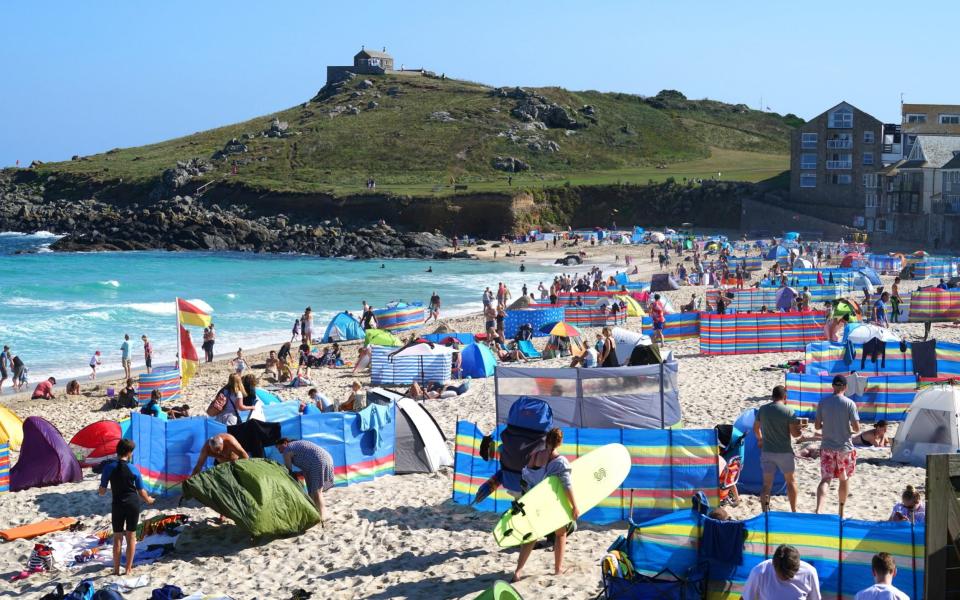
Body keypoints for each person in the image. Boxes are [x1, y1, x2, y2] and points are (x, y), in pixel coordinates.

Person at [513, 428, 579, 582]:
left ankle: (518, 572)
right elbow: (566, 485)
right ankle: (558, 569)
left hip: (533, 502)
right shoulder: (560, 461)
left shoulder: (534, 456)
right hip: (550, 504)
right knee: (561, 534)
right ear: (560, 442)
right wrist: (574, 506)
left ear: (546, 440)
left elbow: (526, 477)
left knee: (531, 537)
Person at [98, 439, 155, 576]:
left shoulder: (108, 467)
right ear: (129, 453)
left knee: (117, 537)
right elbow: (141, 492)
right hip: (132, 504)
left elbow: (102, 491)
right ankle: (128, 569)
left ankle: (116, 570)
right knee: (131, 536)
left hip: (117, 504)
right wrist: (149, 500)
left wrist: (102, 488)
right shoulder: (134, 469)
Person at [815, 375, 860, 516]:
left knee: (826, 479)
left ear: (833, 386)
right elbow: (857, 428)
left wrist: (826, 425)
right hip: (844, 447)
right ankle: (841, 511)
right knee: (844, 477)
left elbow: (817, 426)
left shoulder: (823, 402)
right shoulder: (850, 403)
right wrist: (847, 428)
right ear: (845, 387)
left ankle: (819, 510)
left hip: (827, 445)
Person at [754, 385, 802, 512]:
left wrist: (760, 439)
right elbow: (795, 434)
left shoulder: (763, 409)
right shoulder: (788, 411)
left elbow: (756, 428)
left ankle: (765, 511)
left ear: (772, 396)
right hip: (784, 452)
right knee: (790, 482)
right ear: (785, 396)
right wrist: (800, 430)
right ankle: (793, 510)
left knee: (766, 485)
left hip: (767, 451)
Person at [276, 437, 334, 523]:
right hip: (326, 459)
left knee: (317, 493)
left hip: (317, 462)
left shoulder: (287, 450)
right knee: (311, 492)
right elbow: (306, 461)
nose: (279, 451)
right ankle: (313, 513)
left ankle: (322, 516)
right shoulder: (297, 444)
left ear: (285, 443)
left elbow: (288, 470)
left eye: (279, 448)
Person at [742, 544, 821, 600]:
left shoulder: (810, 572)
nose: (784, 578)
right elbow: (745, 598)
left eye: (788, 575)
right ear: (773, 564)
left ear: (797, 568)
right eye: (781, 573)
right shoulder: (760, 572)